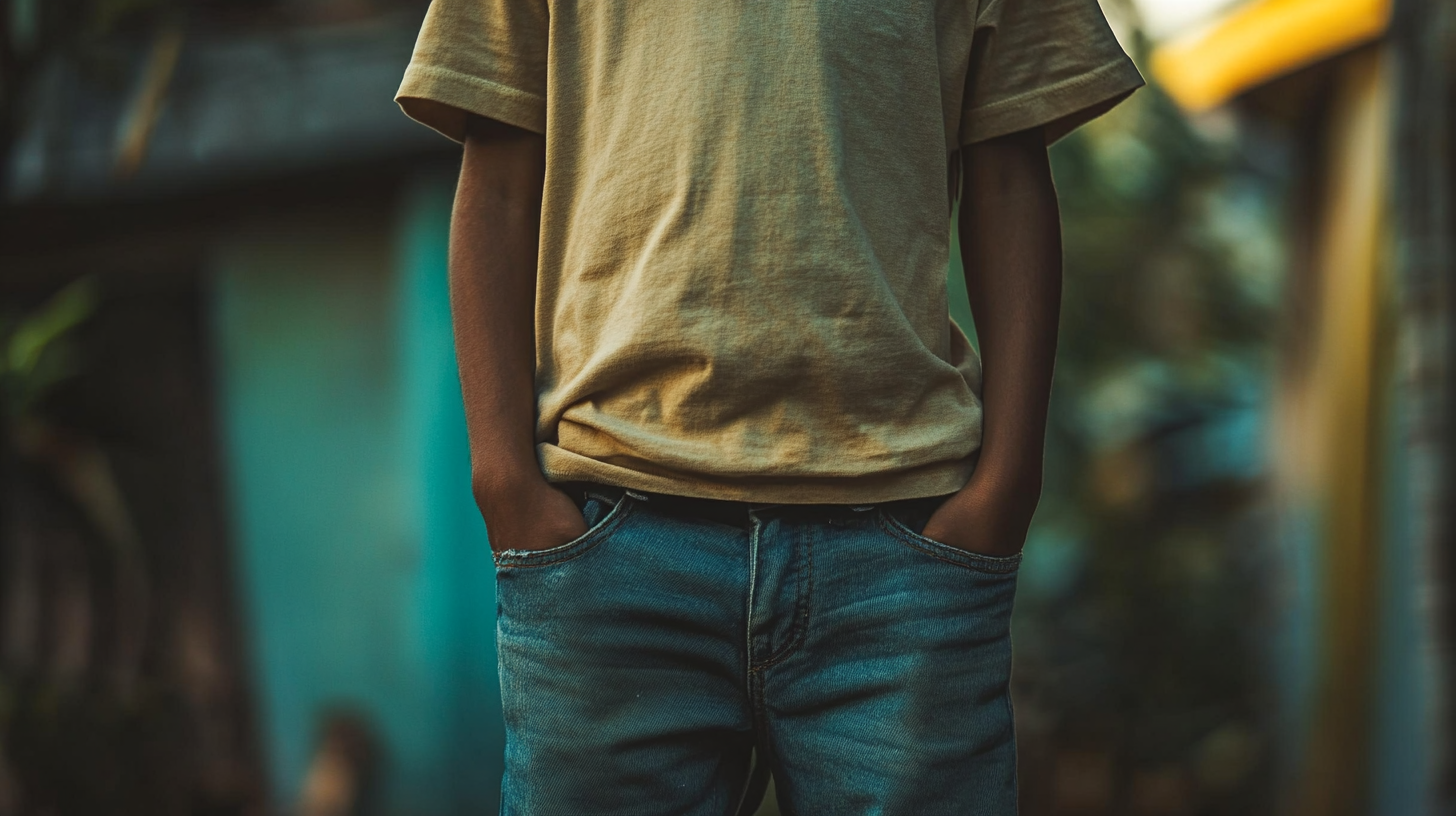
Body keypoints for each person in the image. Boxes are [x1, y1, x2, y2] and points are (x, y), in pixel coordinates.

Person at [395, 0, 1143, 812]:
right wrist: (505, 480)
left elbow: (1010, 167)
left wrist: (1006, 486)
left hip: (902, 549)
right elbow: (498, 169)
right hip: (611, 534)